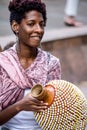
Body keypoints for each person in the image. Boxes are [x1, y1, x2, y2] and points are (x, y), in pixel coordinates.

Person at [0, 0, 61, 130]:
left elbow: (58, 113)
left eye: (42, 24)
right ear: (16, 26)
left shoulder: (52, 64)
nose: (38, 30)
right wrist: (20, 105)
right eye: (31, 24)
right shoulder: (2, 63)